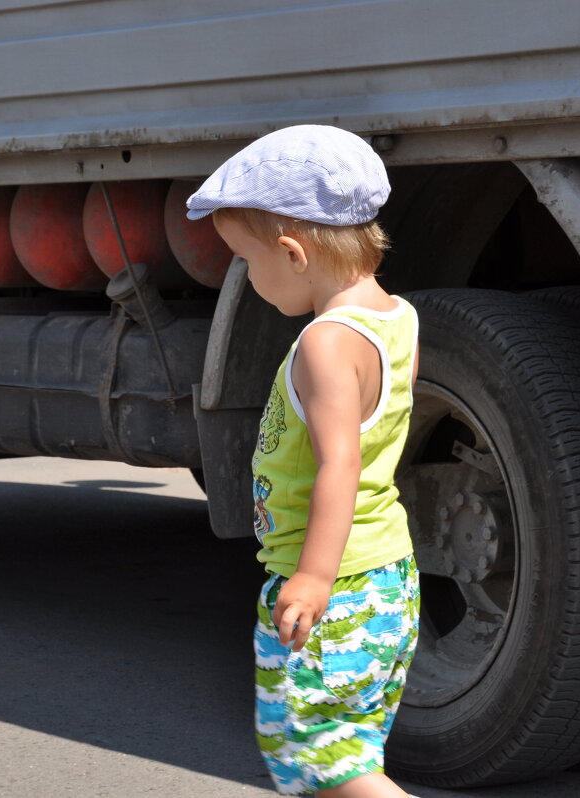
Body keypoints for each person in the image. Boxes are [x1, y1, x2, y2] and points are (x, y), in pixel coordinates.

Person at [186, 125, 421, 797]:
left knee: (324, 760)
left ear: (292, 253)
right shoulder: (396, 317)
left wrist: (314, 578)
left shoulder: (326, 343)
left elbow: (341, 464)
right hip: (385, 574)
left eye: (248, 263)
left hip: (337, 585)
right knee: (336, 749)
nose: (252, 281)